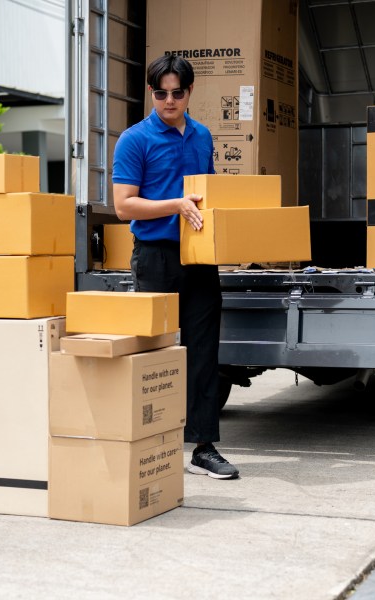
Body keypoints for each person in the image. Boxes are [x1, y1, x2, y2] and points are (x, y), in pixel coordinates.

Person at [112, 55, 239, 480]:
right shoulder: (134, 139)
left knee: (204, 351)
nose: (169, 100)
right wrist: (176, 205)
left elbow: (210, 193)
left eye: (177, 92)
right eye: (161, 93)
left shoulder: (202, 136)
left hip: (200, 257)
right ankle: (152, 444)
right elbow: (123, 204)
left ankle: (204, 447)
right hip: (156, 258)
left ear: (189, 92)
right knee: (155, 351)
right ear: (152, 93)